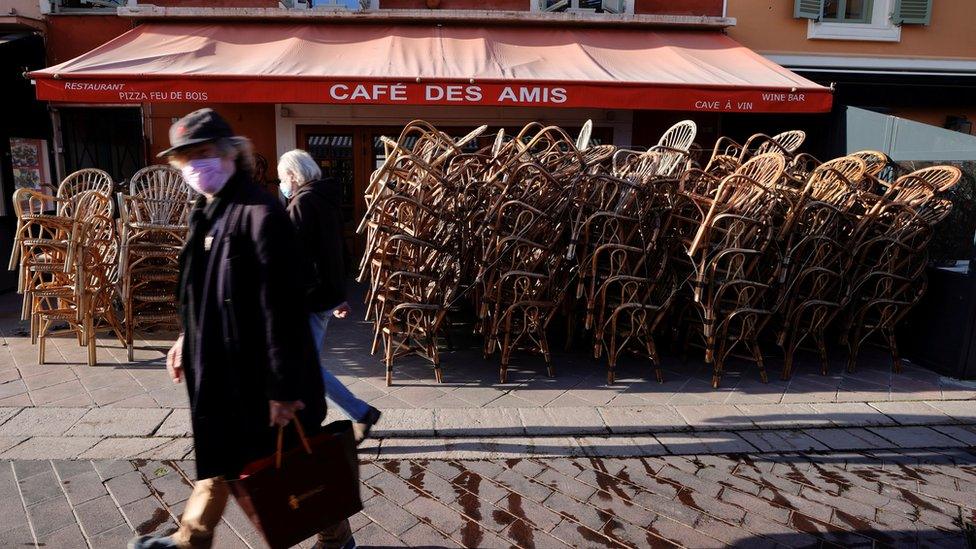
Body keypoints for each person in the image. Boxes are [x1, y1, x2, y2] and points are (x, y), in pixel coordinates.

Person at [129, 109, 354, 549]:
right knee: (232, 461)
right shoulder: (207, 212)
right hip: (224, 374)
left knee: (275, 463)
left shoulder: (261, 213)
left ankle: (192, 542)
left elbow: (283, 308)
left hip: (260, 380)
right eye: (187, 157)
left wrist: (284, 390)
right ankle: (194, 541)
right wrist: (184, 337)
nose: (196, 164)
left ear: (231, 154)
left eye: (205, 152)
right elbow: (200, 292)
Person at [278, 149, 381, 442]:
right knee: (306, 364)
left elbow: (296, 260)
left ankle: (359, 413)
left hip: (309, 298)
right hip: (324, 295)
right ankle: (358, 413)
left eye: (282, 176)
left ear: (293, 175)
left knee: (304, 366)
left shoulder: (302, 204)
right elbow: (337, 252)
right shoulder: (326, 201)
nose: (281, 183)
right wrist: (338, 295)